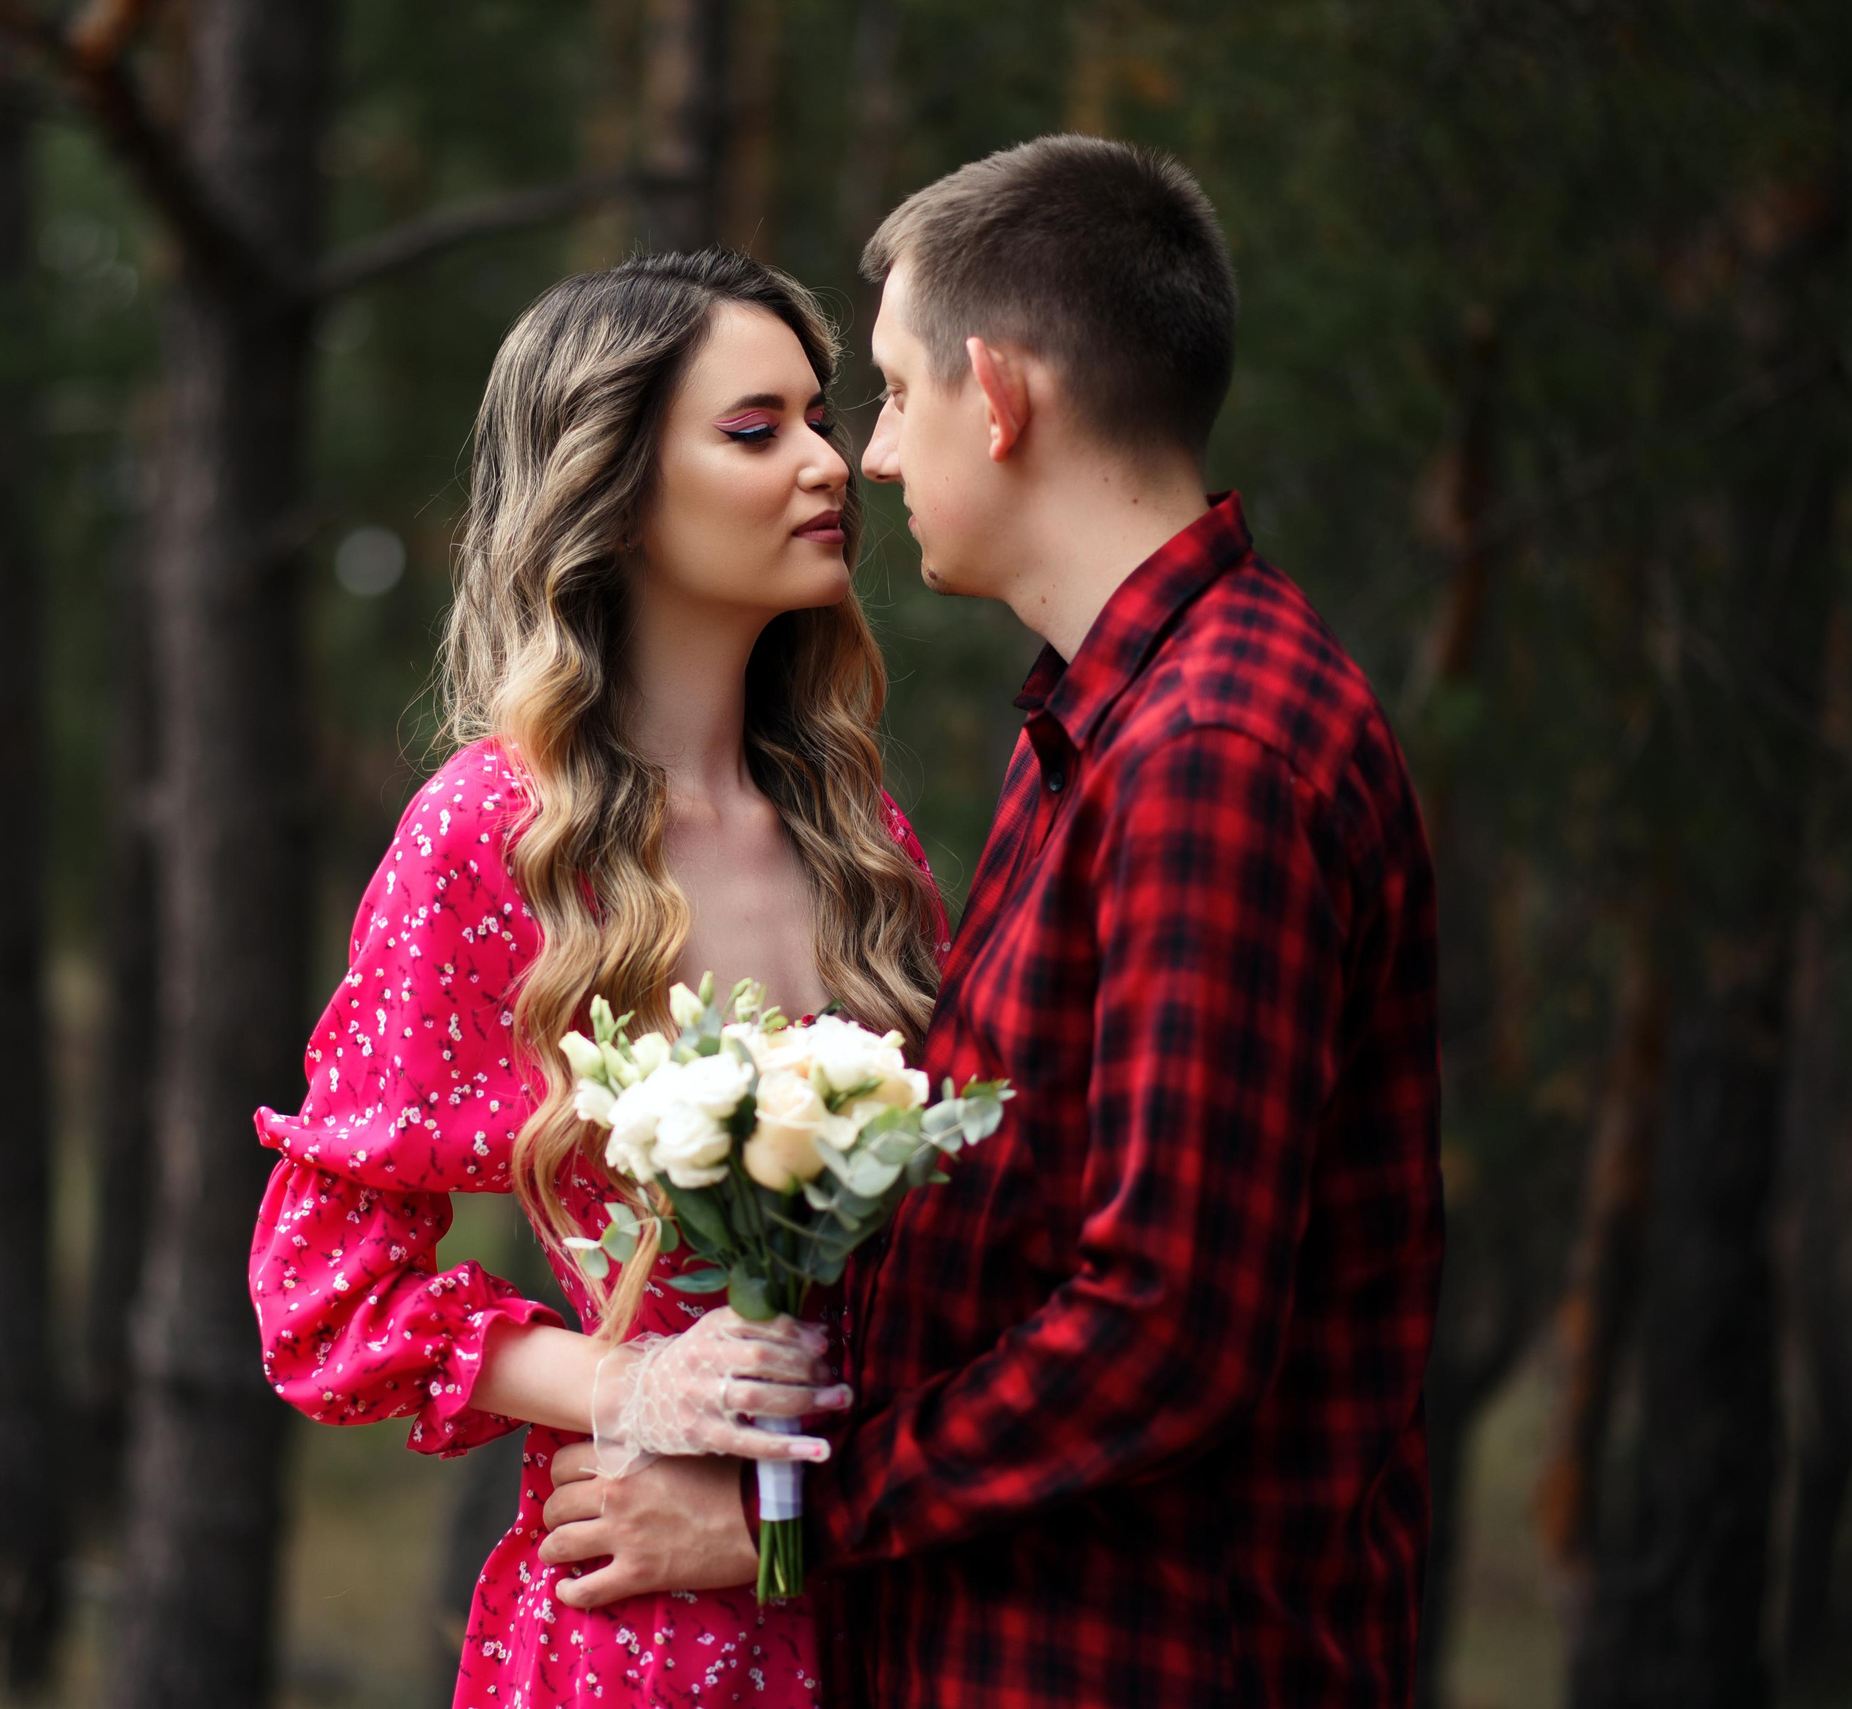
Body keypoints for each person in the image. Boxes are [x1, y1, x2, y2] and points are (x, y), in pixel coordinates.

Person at [539, 137, 1444, 1709]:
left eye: (892, 394)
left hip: (1149, 1660)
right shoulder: (1101, 728)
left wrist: (790, 1524)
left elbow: (1166, 1329)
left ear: (1001, 397)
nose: (874, 457)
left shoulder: (1209, 751)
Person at [247, 248, 950, 1709]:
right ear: (617, 493)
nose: (831, 463)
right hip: (643, 1627)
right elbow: (323, 1287)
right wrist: (626, 1382)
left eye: (822, 419)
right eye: (756, 429)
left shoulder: (865, 836)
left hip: (884, 1601)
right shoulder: (491, 836)